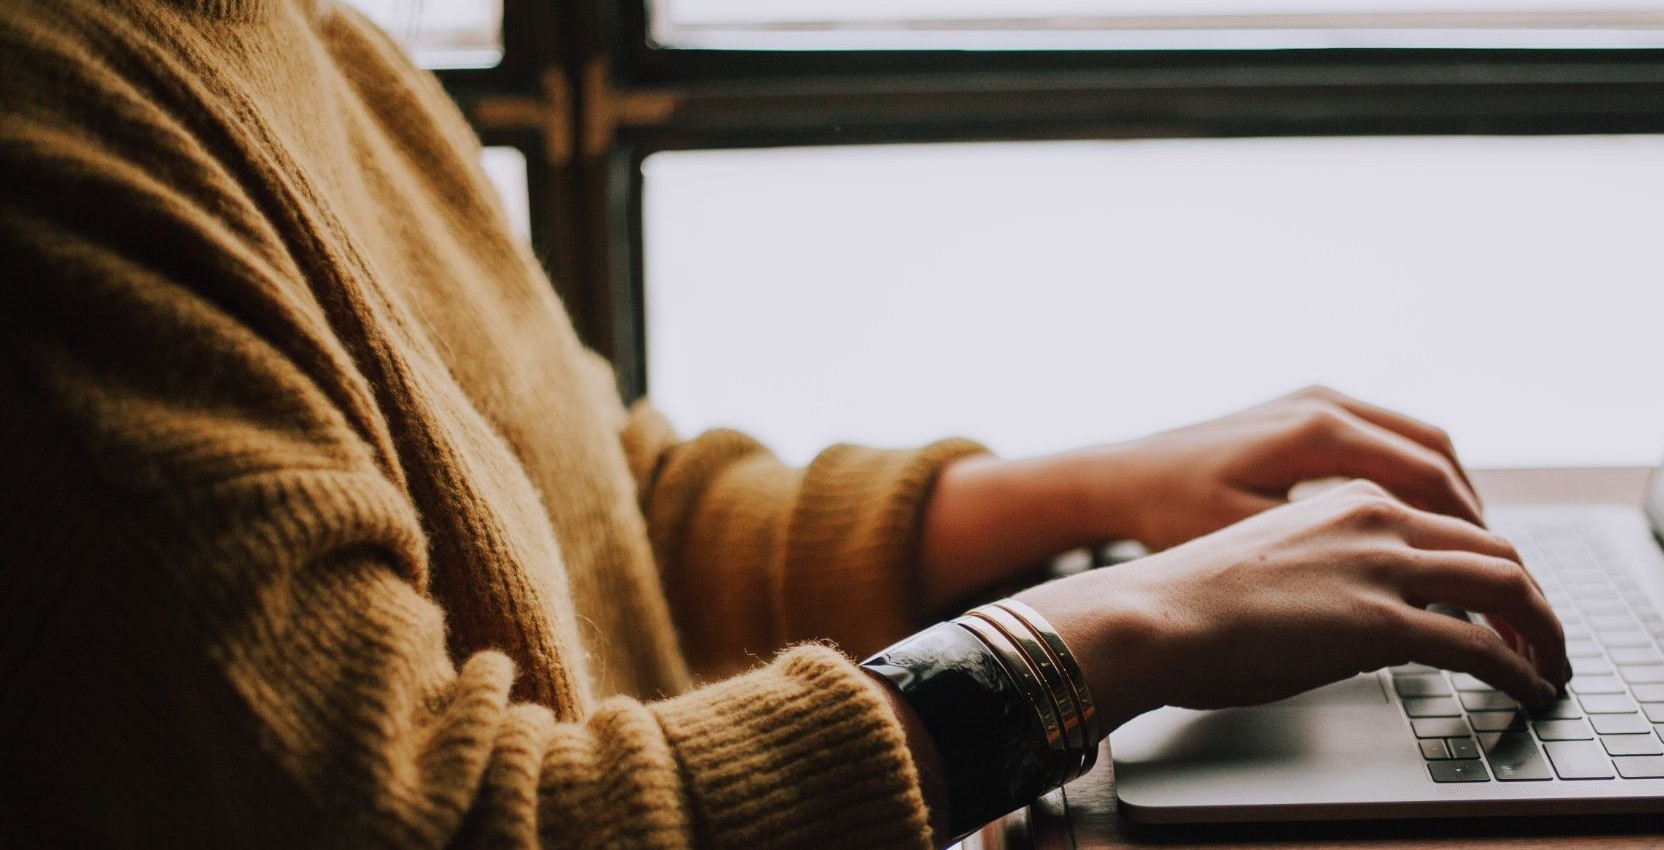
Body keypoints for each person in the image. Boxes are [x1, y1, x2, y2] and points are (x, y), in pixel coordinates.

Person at [0, 1, 1570, 847]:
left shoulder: (293, 35)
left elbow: (600, 509)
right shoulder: (56, 133)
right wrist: (1098, 632)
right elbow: (445, 819)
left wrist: (1081, 496)